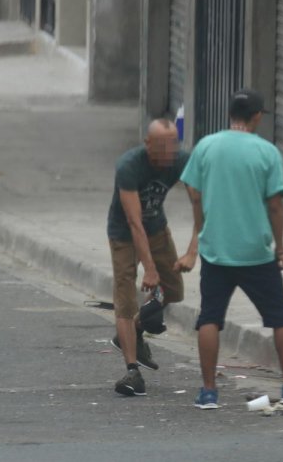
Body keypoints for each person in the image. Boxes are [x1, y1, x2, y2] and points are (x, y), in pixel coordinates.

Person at [176, 89, 283, 410]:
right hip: (256, 251)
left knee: (210, 318)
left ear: (230, 114)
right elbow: (276, 207)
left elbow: (193, 190)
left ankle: (209, 391)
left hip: (216, 251)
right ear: (256, 116)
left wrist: (199, 233)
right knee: (279, 318)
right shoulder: (266, 152)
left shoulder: (206, 146)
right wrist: (280, 247)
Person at [106, 119, 189, 397]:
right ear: (147, 144)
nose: (168, 154)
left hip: (156, 228)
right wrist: (150, 269)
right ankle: (132, 371)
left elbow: (200, 199)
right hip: (124, 233)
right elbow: (133, 221)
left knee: (175, 290)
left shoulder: (180, 161)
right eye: (161, 148)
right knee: (126, 298)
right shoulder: (129, 165)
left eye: (172, 147)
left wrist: (193, 249)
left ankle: (136, 329)